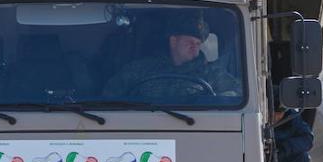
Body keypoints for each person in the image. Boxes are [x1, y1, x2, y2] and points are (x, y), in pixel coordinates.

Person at [102, 14, 240, 99]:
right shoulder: (140, 70)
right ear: (173, 41)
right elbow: (109, 97)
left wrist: (215, 100)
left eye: (198, 43)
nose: (195, 47)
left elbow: (237, 94)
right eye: (189, 42)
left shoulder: (212, 74)